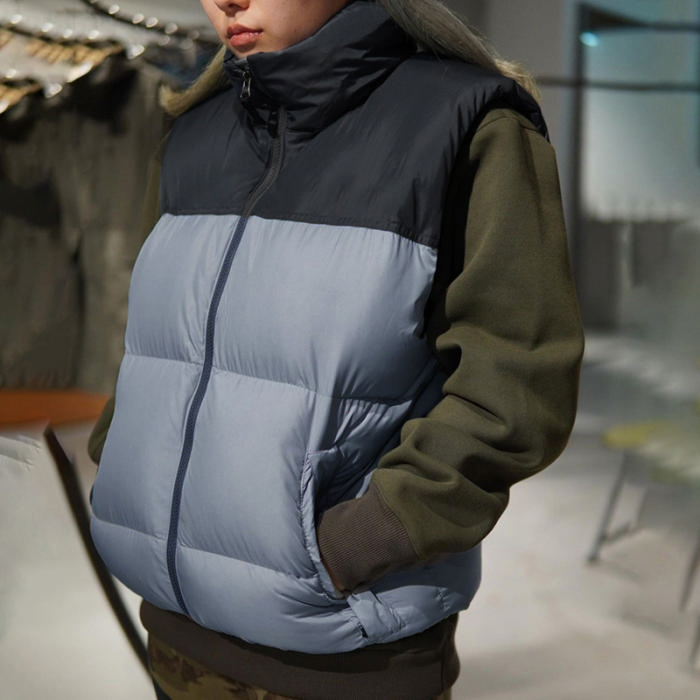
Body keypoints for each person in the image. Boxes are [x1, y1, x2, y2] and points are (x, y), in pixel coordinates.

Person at [87, 0, 584, 697]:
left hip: (340, 660)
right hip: (175, 637)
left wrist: (358, 541)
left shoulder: (465, 125)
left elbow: (517, 390)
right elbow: (159, 337)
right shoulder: (194, 130)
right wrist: (122, 460)